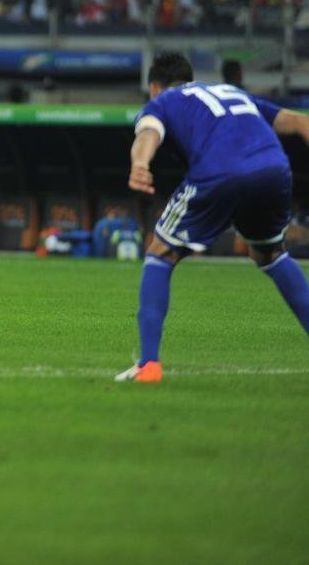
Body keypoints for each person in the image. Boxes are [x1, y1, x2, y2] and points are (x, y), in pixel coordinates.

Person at [116, 52, 309, 383]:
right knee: (269, 254)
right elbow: (300, 122)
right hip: (274, 170)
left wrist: (140, 164)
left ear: (154, 88)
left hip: (221, 173)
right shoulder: (231, 92)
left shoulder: (163, 102)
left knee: (160, 253)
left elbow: (148, 134)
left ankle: (148, 365)